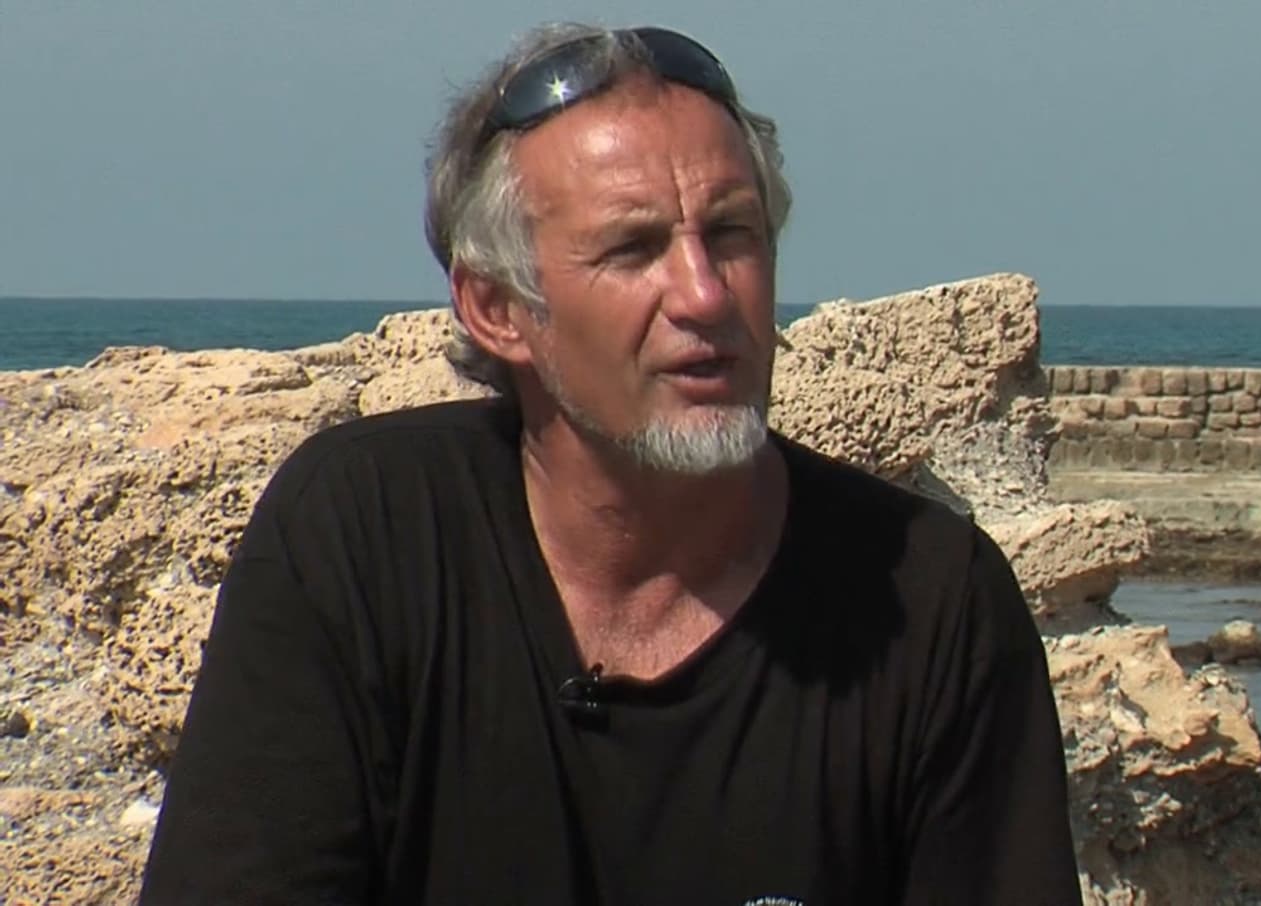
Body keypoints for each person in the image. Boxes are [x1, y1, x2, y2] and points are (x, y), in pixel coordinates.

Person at [141, 23, 1079, 905]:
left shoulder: (927, 600)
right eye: (633, 248)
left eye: (733, 234)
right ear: (499, 309)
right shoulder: (365, 538)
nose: (705, 295)